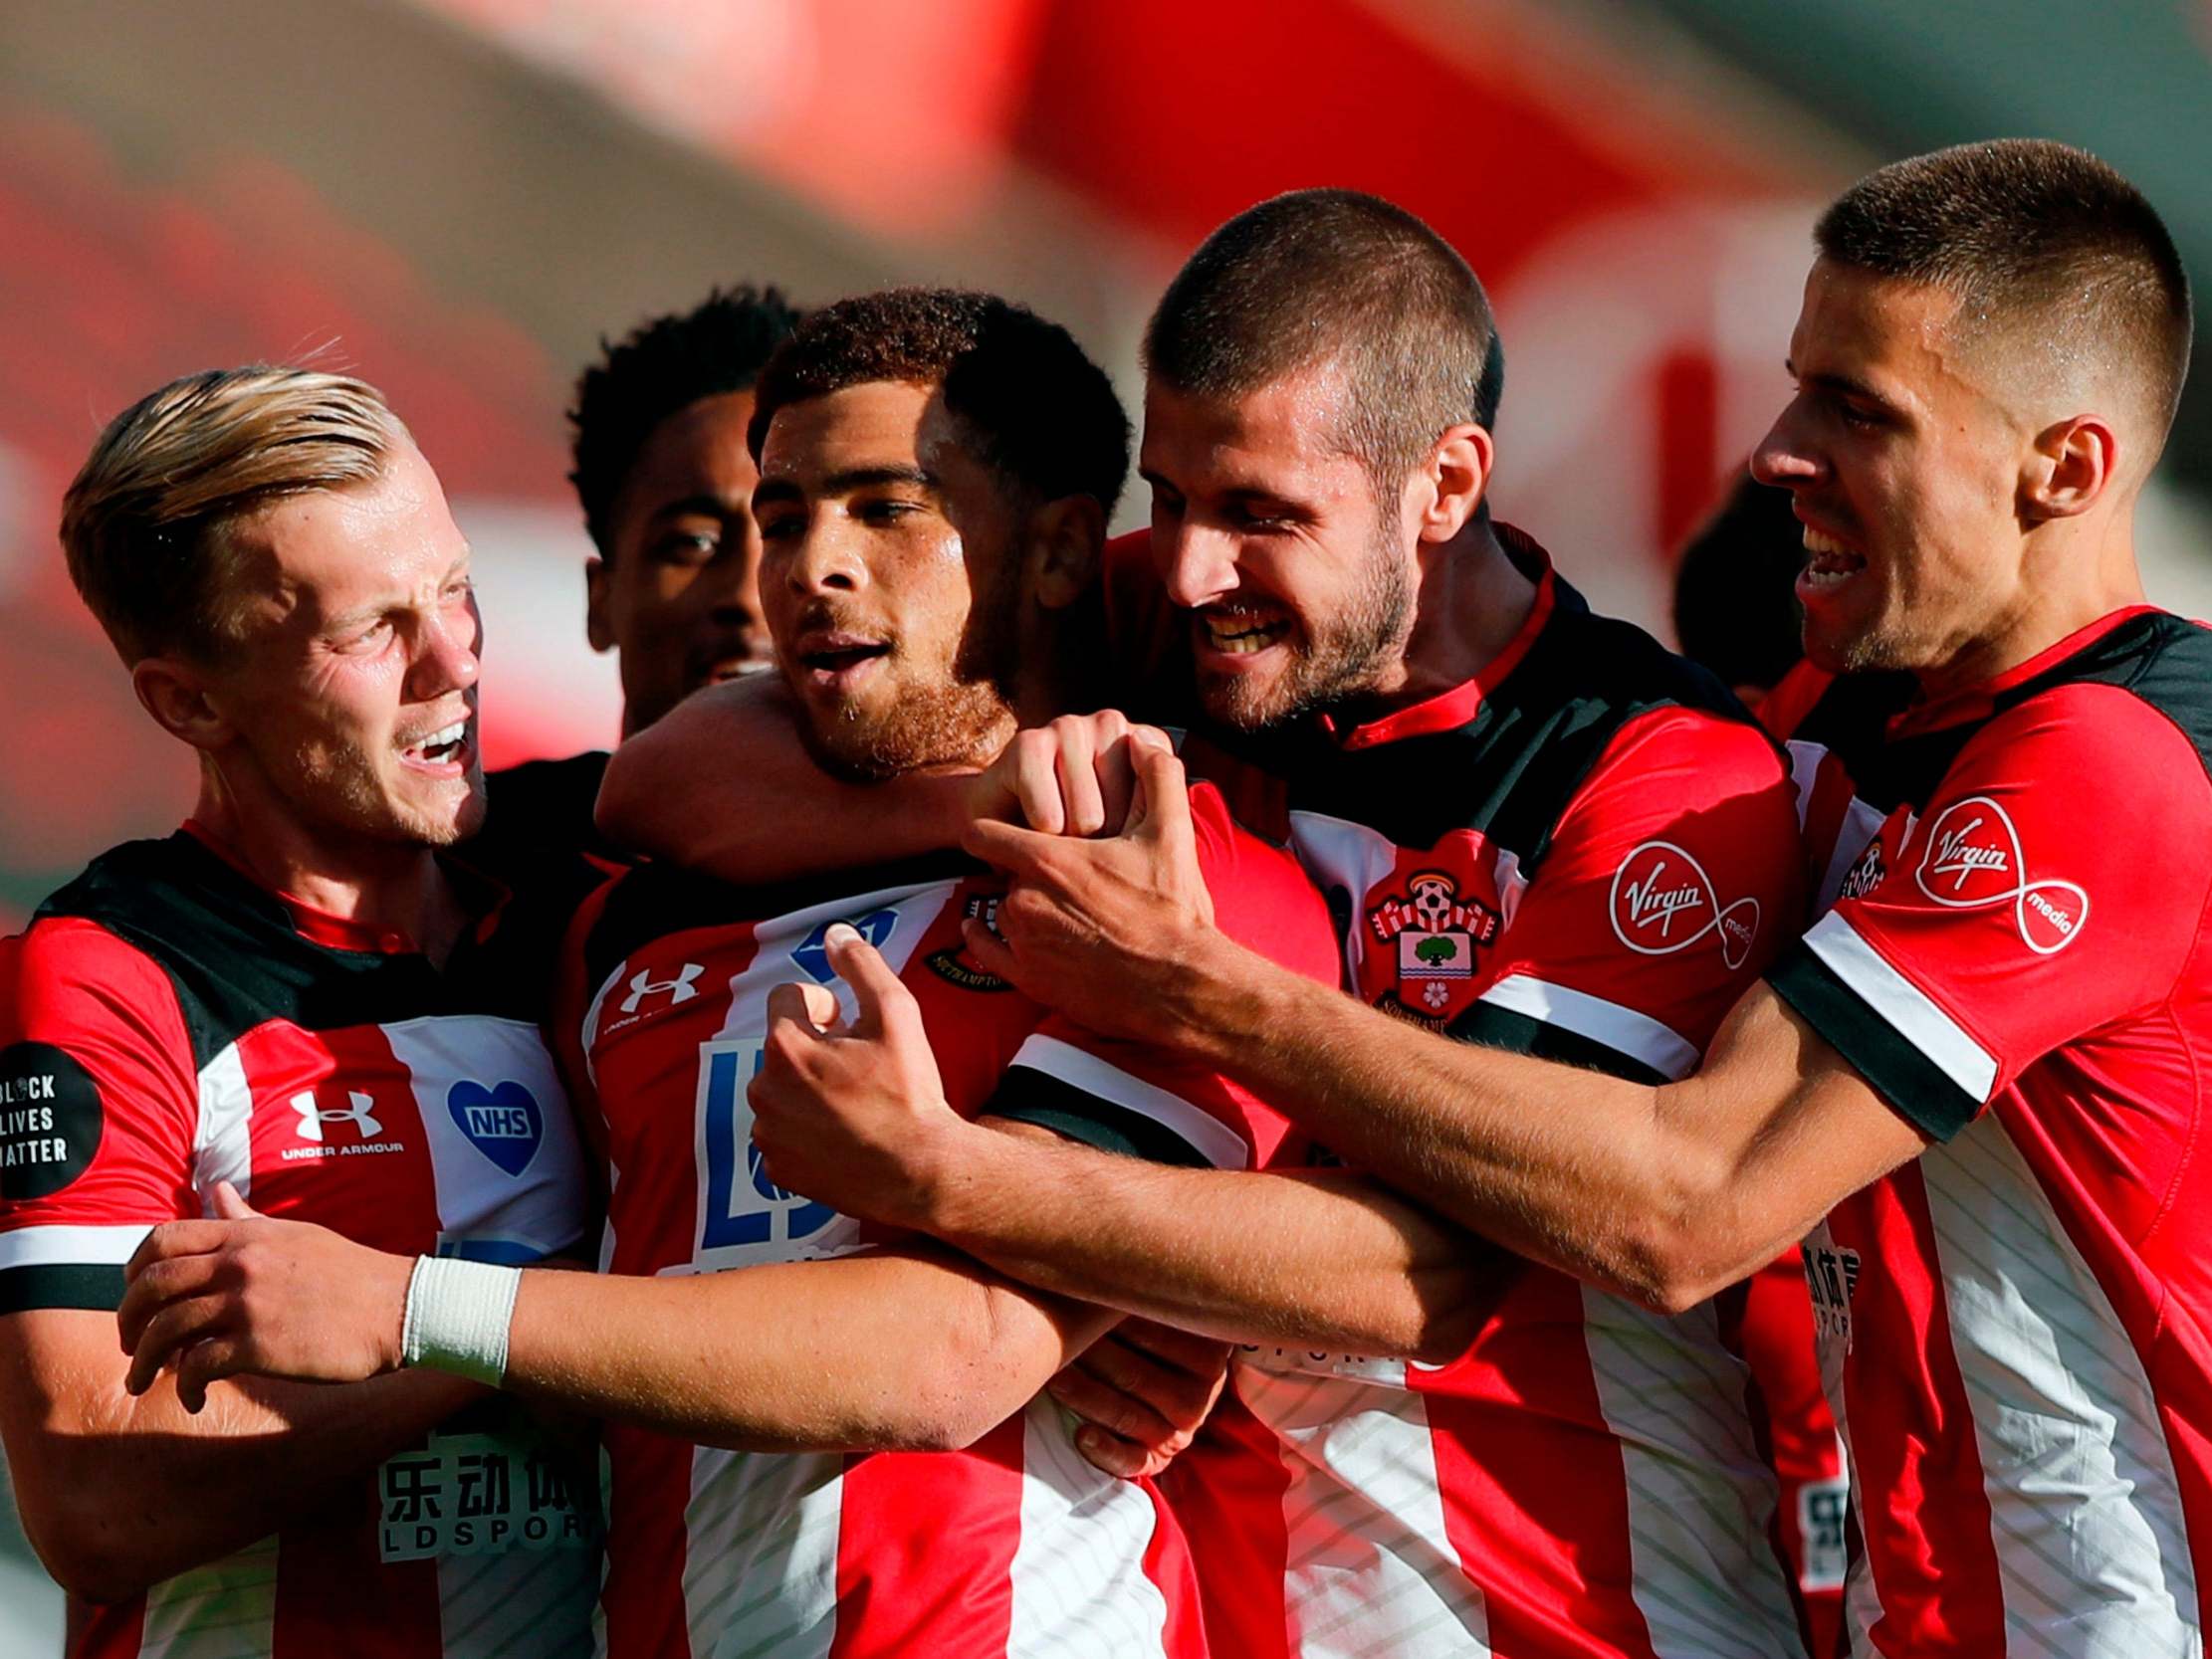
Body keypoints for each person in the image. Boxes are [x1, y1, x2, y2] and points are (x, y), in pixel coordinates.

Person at [848, 142, 2204, 1655]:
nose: (1775, 449)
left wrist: (1173, 1019)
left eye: (1857, 408)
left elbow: (1676, 1205)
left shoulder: (2102, 762)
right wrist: (1142, 1278)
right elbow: (768, 749)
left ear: (2065, 468)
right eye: (1797, 381)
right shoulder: (1847, 719)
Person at [118, 292, 1485, 1659]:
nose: (804, 568)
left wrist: (413, 1305)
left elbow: (946, 1355)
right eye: (784, 517)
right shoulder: (635, 909)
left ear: (1063, 546)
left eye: (887, 507)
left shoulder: (1178, 893)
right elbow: (662, 780)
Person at [603, 192, 1818, 1657]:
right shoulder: (1179, 625)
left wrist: (1062, 1122)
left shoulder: (1659, 774)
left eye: (1257, 514)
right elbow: (671, 772)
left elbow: (1451, 1260)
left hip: (1565, 1605)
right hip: (1237, 1604)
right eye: (1169, 497)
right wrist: (985, 793)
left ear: (1443, 484)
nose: (1188, 566)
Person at [0, 367, 601, 1656]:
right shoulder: (116, 968)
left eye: (454, 586)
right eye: (373, 631)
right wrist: (494, 1330)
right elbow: (95, 1494)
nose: (457, 659)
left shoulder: (587, 895)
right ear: (192, 700)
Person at [478, 285, 801, 864]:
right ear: (601, 603)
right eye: (693, 543)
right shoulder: (465, 867)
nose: (747, 598)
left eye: (787, 532)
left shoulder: (968, 894)